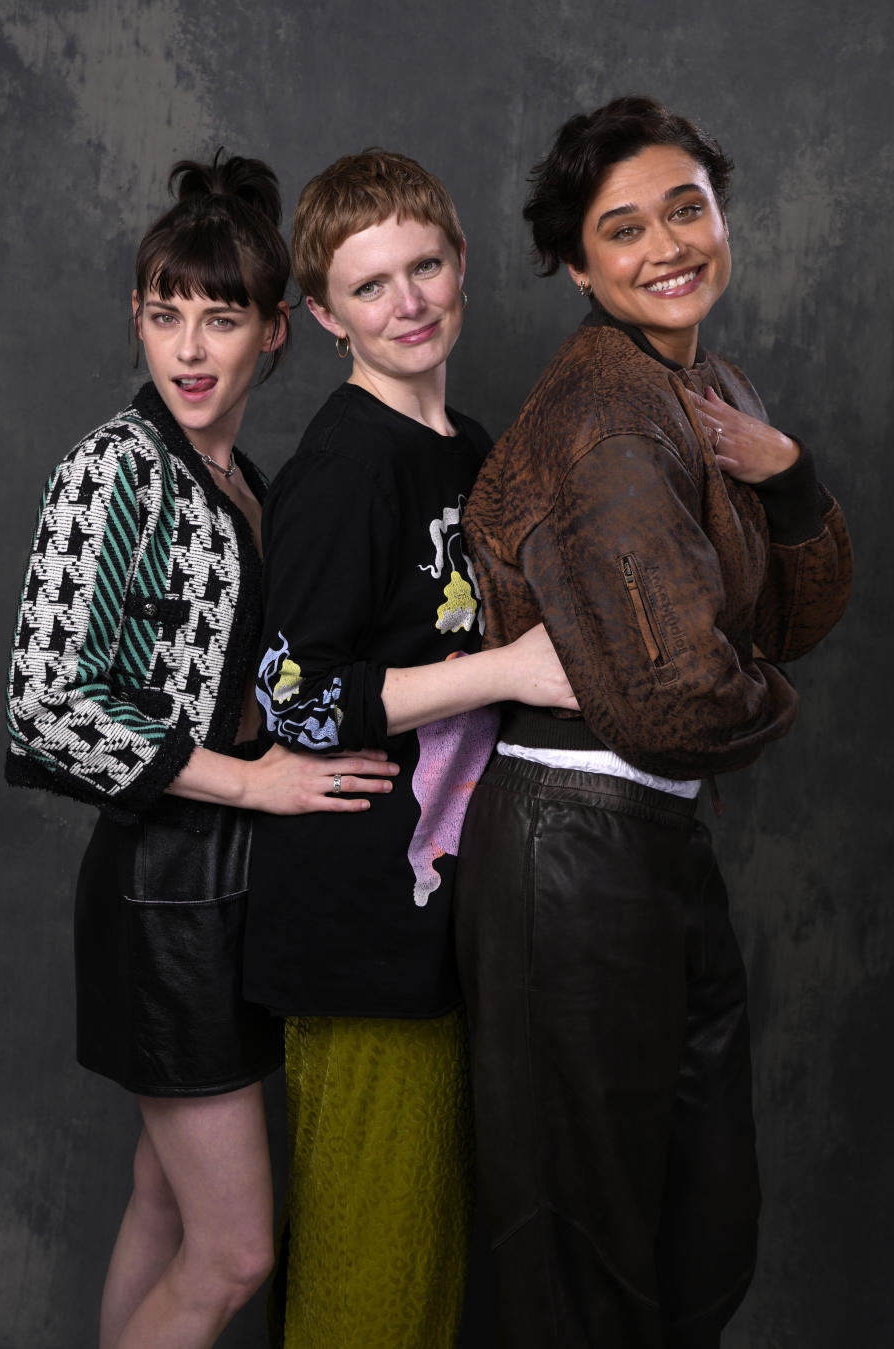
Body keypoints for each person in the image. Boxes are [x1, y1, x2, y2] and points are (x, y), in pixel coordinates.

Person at [455, 96, 853, 1349]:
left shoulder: (701, 384)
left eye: (687, 206)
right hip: (572, 853)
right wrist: (750, 686)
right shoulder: (609, 415)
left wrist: (788, 474)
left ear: (721, 213)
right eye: (621, 228)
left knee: (694, 1220)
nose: (667, 243)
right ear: (579, 266)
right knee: (590, 1245)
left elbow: (785, 622)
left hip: (646, 842)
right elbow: (682, 694)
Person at [4, 151, 397, 1349]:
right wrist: (257, 781)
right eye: (165, 312)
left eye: (220, 317)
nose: (188, 346)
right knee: (235, 1252)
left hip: (227, 883)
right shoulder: (111, 471)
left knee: (164, 1195)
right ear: (138, 313)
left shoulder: (248, 480)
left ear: (276, 332)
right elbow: (46, 700)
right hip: (162, 889)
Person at [243, 149, 577, 1349]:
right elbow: (293, 693)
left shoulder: (467, 444)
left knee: (432, 1267)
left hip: (447, 915)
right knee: (371, 1278)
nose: (410, 302)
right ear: (326, 317)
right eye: (371, 286)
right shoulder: (344, 465)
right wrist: (509, 671)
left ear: (462, 262)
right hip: (357, 929)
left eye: (424, 265)